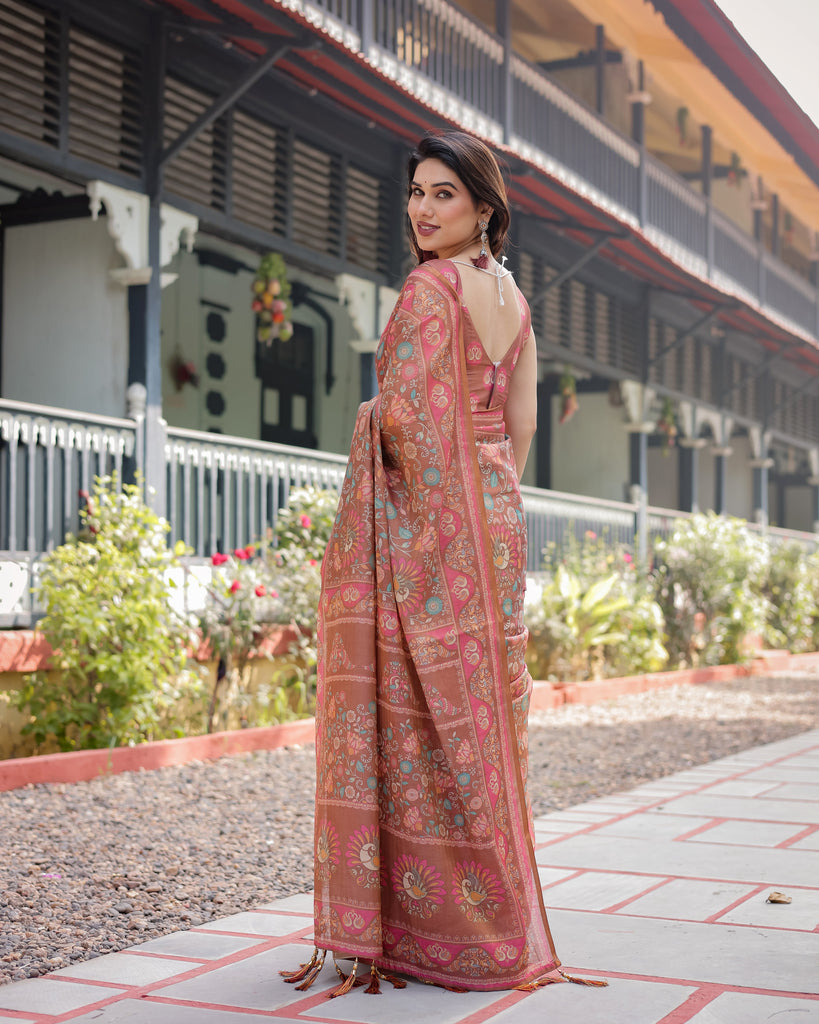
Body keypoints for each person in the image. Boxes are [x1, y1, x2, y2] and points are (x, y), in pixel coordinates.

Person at [282, 130, 605, 997]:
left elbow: (406, 427)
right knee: (485, 721)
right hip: (493, 524)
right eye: (416, 192)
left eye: (443, 195)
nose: (422, 209)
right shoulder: (515, 301)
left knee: (422, 714)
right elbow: (522, 428)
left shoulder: (429, 290)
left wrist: (381, 434)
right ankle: (492, 911)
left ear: (483, 209)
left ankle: (433, 926)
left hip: (432, 528)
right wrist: (483, 503)